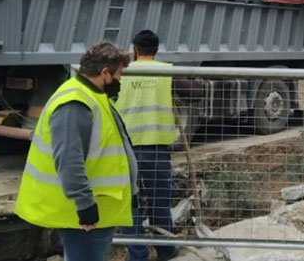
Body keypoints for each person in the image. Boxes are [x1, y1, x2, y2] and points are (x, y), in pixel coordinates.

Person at [15, 42, 136, 261]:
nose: (120, 80)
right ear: (105, 72)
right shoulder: (75, 103)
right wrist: (85, 205)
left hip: (98, 209)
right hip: (86, 214)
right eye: (119, 74)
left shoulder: (92, 97)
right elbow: (69, 161)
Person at [117, 30, 180, 261]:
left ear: (134, 49)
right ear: (157, 50)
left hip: (127, 149)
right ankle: (165, 250)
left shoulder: (121, 72)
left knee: (131, 204)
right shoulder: (168, 71)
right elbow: (192, 93)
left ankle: (137, 255)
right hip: (156, 150)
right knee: (159, 202)